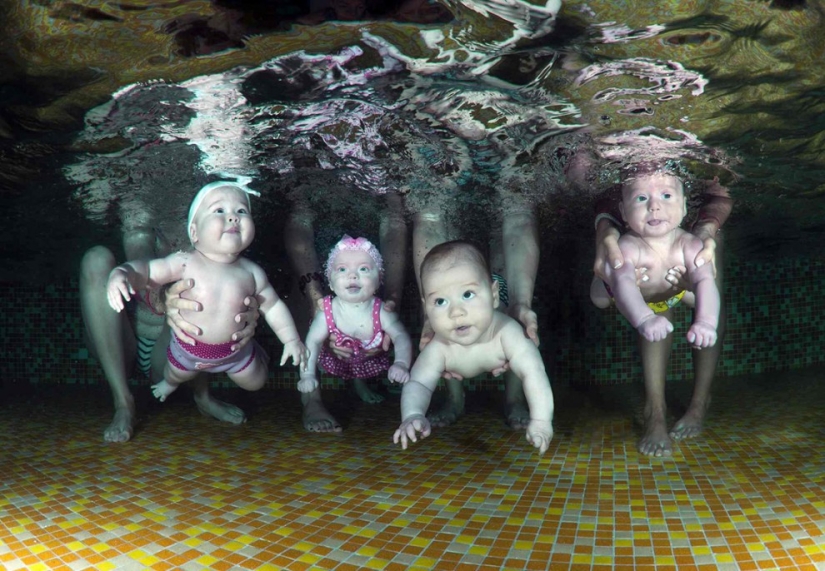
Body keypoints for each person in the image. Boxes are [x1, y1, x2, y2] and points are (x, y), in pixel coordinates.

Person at [106, 181, 308, 402]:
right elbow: (147, 271)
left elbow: (273, 306)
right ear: (194, 232)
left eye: (241, 210)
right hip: (188, 351)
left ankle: (258, 353)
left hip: (236, 353)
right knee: (175, 374)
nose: (233, 217)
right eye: (219, 210)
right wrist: (123, 272)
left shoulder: (253, 273)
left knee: (255, 383)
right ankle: (169, 385)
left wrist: (291, 340)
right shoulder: (184, 262)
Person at [592, 166, 732, 457]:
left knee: (705, 290)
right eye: (641, 199)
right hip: (639, 298)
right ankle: (654, 412)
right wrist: (644, 318)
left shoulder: (690, 243)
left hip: (675, 288)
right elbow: (625, 283)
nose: (655, 205)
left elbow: (705, 280)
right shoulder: (628, 246)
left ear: (684, 207)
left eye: (666, 196)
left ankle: (698, 403)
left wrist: (706, 323)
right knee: (601, 296)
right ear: (623, 211)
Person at [393, 241, 554, 454]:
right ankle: (455, 400)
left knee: (524, 355)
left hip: (501, 314)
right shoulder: (439, 345)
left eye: (467, 295)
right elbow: (419, 384)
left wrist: (542, 420)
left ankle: (514, 400)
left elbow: (534, 373)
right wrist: (412, 415)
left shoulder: (507, 331)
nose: (456, 312)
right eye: (440, 301)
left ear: (493, 295)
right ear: (426, 308)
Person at [297, 236, 413, 402]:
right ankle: (314, 402)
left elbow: (401, 336)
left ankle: (360, 384)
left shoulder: (381, 311)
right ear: (330, 283)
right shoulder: (327, 311)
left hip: (367, 359)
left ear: (379, 280)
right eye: (342, 269)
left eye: (364, 269)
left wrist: (401, 363)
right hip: (335, 359)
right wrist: (307, 374)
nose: (352, 276)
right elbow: (313, 342)